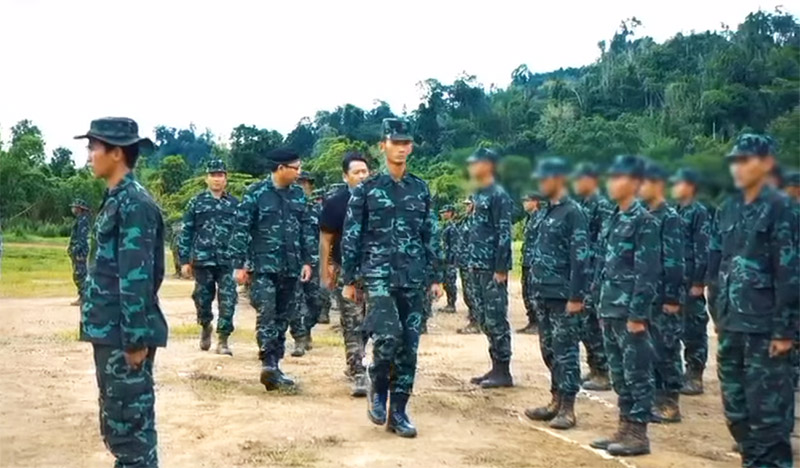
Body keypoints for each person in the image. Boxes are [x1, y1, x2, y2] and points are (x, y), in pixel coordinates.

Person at [76, 117, 168, 468]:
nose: (88, 155)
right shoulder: (117, 198)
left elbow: (137, 279)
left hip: (122, 334)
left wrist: (134, 340)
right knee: (119, 426)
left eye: (93, 147)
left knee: (130, 431)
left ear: (116, 153)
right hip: (110, 330)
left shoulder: (134, 204)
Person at [342, 118, 441, 438]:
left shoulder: (420, 188)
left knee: (409, 347)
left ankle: (398, 412)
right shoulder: (367, 190)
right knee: (387, 338)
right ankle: (378, 386)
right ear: (382, 146)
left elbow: (430, 233)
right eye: (394, 142)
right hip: (378, 274)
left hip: (413, 277)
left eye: (405, 143)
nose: (400, 148)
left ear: (410, 147)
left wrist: (436, 275)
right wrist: (350, 278)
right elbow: (352, 235)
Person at [710, 134, 798, 467]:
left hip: (766, 329)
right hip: (733, 324)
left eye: (745, 160)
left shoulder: (782, 209)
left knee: (769, 416)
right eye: (735, 160)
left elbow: (790, 273)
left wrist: (785, 331)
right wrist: (719, 315)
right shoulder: (728, 208)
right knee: (737, 409)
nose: (738, 167)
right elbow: (721, 265)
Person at [590, 155, 659, 456]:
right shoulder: (614, 218)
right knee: (619, 372)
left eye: (617, 177)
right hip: (610, 307)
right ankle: (624, 425)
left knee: (637, 372)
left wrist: (638, 313)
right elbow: (604, 266)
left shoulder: (644, 222)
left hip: (630, 311)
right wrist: (600, 305)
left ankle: (639, 434)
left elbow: (648, 272)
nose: (611, 183)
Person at [231, 148, 314, 391]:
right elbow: (241, 228)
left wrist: (308, 261)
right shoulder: (256, 194)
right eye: (295, 168)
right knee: (267, 313)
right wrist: (239, 264)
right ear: (280, 168)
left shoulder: (298, 195)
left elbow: (307, 230)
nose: (299, 173)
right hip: (263, 267)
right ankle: (268, 362)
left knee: (283, 317)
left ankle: (275, 365)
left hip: (291, 267)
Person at [524, 157, 589, 430]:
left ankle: (568, 408)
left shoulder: (573, 213)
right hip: (543, 292)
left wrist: (576, 296)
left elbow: (580, 257)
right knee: (549, 349)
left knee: (566, 351)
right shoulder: (545, 213)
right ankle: (555, 400)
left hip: (564, 296)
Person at [319, 151, 371, 396]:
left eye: (364, 171)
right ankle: (358, 370)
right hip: (346, 272)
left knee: (374, 321)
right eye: (356, 172)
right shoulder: (336, 203)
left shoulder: (378, 200)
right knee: (352, 321)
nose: (361, 176)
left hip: (376, 271)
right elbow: (326, 239)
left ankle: (367, 362)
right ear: (345, 176)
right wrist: (326, 268)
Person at [639, 162, 685, 424]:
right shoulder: (646, 216)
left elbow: (675, 262)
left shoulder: (670, 218)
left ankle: (670, 402)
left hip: (664, 296)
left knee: (667, 348)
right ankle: (656, 397)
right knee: (650, 348)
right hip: (647, 295)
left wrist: (671, 297)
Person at [464, 148, 514, 389]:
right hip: (477, 265)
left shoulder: (498, 195)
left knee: (496, 318)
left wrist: (501, 268)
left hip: (492, 267)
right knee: (484, 317)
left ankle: (504, 370)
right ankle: (495, 367)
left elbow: (504, 233)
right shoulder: (479, 194)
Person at [178, 159, 239, 356]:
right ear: (207, 178)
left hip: (227, 260)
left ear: (226, 179)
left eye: (220, 175)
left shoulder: (235, 204)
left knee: (228, 299)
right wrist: (184, 260)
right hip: (203, 260)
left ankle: (223, 340)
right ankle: (205, 324)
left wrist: (244, 261)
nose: (217, 179)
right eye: (213, 175)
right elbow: (186, 232)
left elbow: (242, 233)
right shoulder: (196, 203)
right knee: (202, 298)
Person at [571, 162, 614, 391]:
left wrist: (595, 272)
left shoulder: (602, 205)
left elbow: (603, 241)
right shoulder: (582, 204)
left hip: (595, 272)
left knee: (594, 322)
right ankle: (595, 367)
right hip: (584, 271)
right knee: (585, 323)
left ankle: (604, 371)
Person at [670, 168, 710, 396]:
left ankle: (695, 374)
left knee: (694, 328)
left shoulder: (698, 212)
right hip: (675, 280)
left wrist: (698, 282)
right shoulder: (674, 211)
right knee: (674, 328)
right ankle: (678, 374)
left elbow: (702, 249)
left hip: (690, 280)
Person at [290, 171, 324, 357]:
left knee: (316, 300)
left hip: (315, 263)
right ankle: (299, 338)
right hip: (293, 261)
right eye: (299, 183)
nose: (302, 187)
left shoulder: (317, 210)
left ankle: (308, 328)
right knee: (295, 301)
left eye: (306, 184)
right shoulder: (288, 208)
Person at [518, 191, 544, 334]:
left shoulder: (541, 218)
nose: (524, 203)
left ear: (535, 201)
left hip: (535, 261)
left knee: (534, 293)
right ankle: (532, 321)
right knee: (526, 292)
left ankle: (538, 323)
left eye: (526, 200)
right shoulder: (530, 218)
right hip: (527, 260)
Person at [456, 198, 480, 334]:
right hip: (464, 261)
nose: (466, 207)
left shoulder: (477, 220)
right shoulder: (466, 220)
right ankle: (473, 317)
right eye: (465, 204)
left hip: (472, 261)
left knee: (473, 293)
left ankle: (476, 322)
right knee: (467, 292)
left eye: (468, 204)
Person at [68, 198, 92, 306]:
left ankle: (84, 297)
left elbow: (82, 239)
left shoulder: (83, 221)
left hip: (80, 252)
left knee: (80, 274)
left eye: (75, 207)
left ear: (80, 209)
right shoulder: (80, 220)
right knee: (78, 274)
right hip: (78, 251)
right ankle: (83, 296)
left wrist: (75, 250)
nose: (73, 209)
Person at [438, 205, 459, 314]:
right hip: (444, 259)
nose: (442, 214)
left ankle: (452, 304)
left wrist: (451, 260)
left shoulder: (452, 227)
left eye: (445, 212)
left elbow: (454, 245)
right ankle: (449, 303)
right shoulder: (445, 226)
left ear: (450, 213)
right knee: (446, 282)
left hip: (450, 260)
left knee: (450, 282)